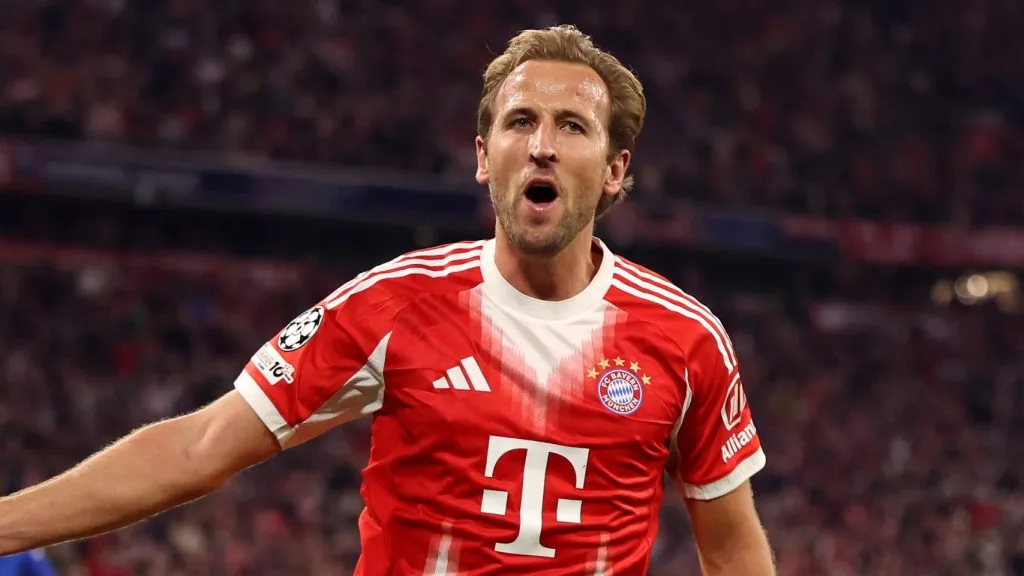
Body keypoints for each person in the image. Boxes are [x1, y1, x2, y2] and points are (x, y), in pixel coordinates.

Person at [0, 25, 774, 574]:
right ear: (484, 156)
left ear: (613, 170)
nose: (541, 143)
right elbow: (201, 448)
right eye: (520, 122)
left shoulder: (685, 339)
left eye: (573, 126)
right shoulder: (395, 304)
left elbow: (733, 550)